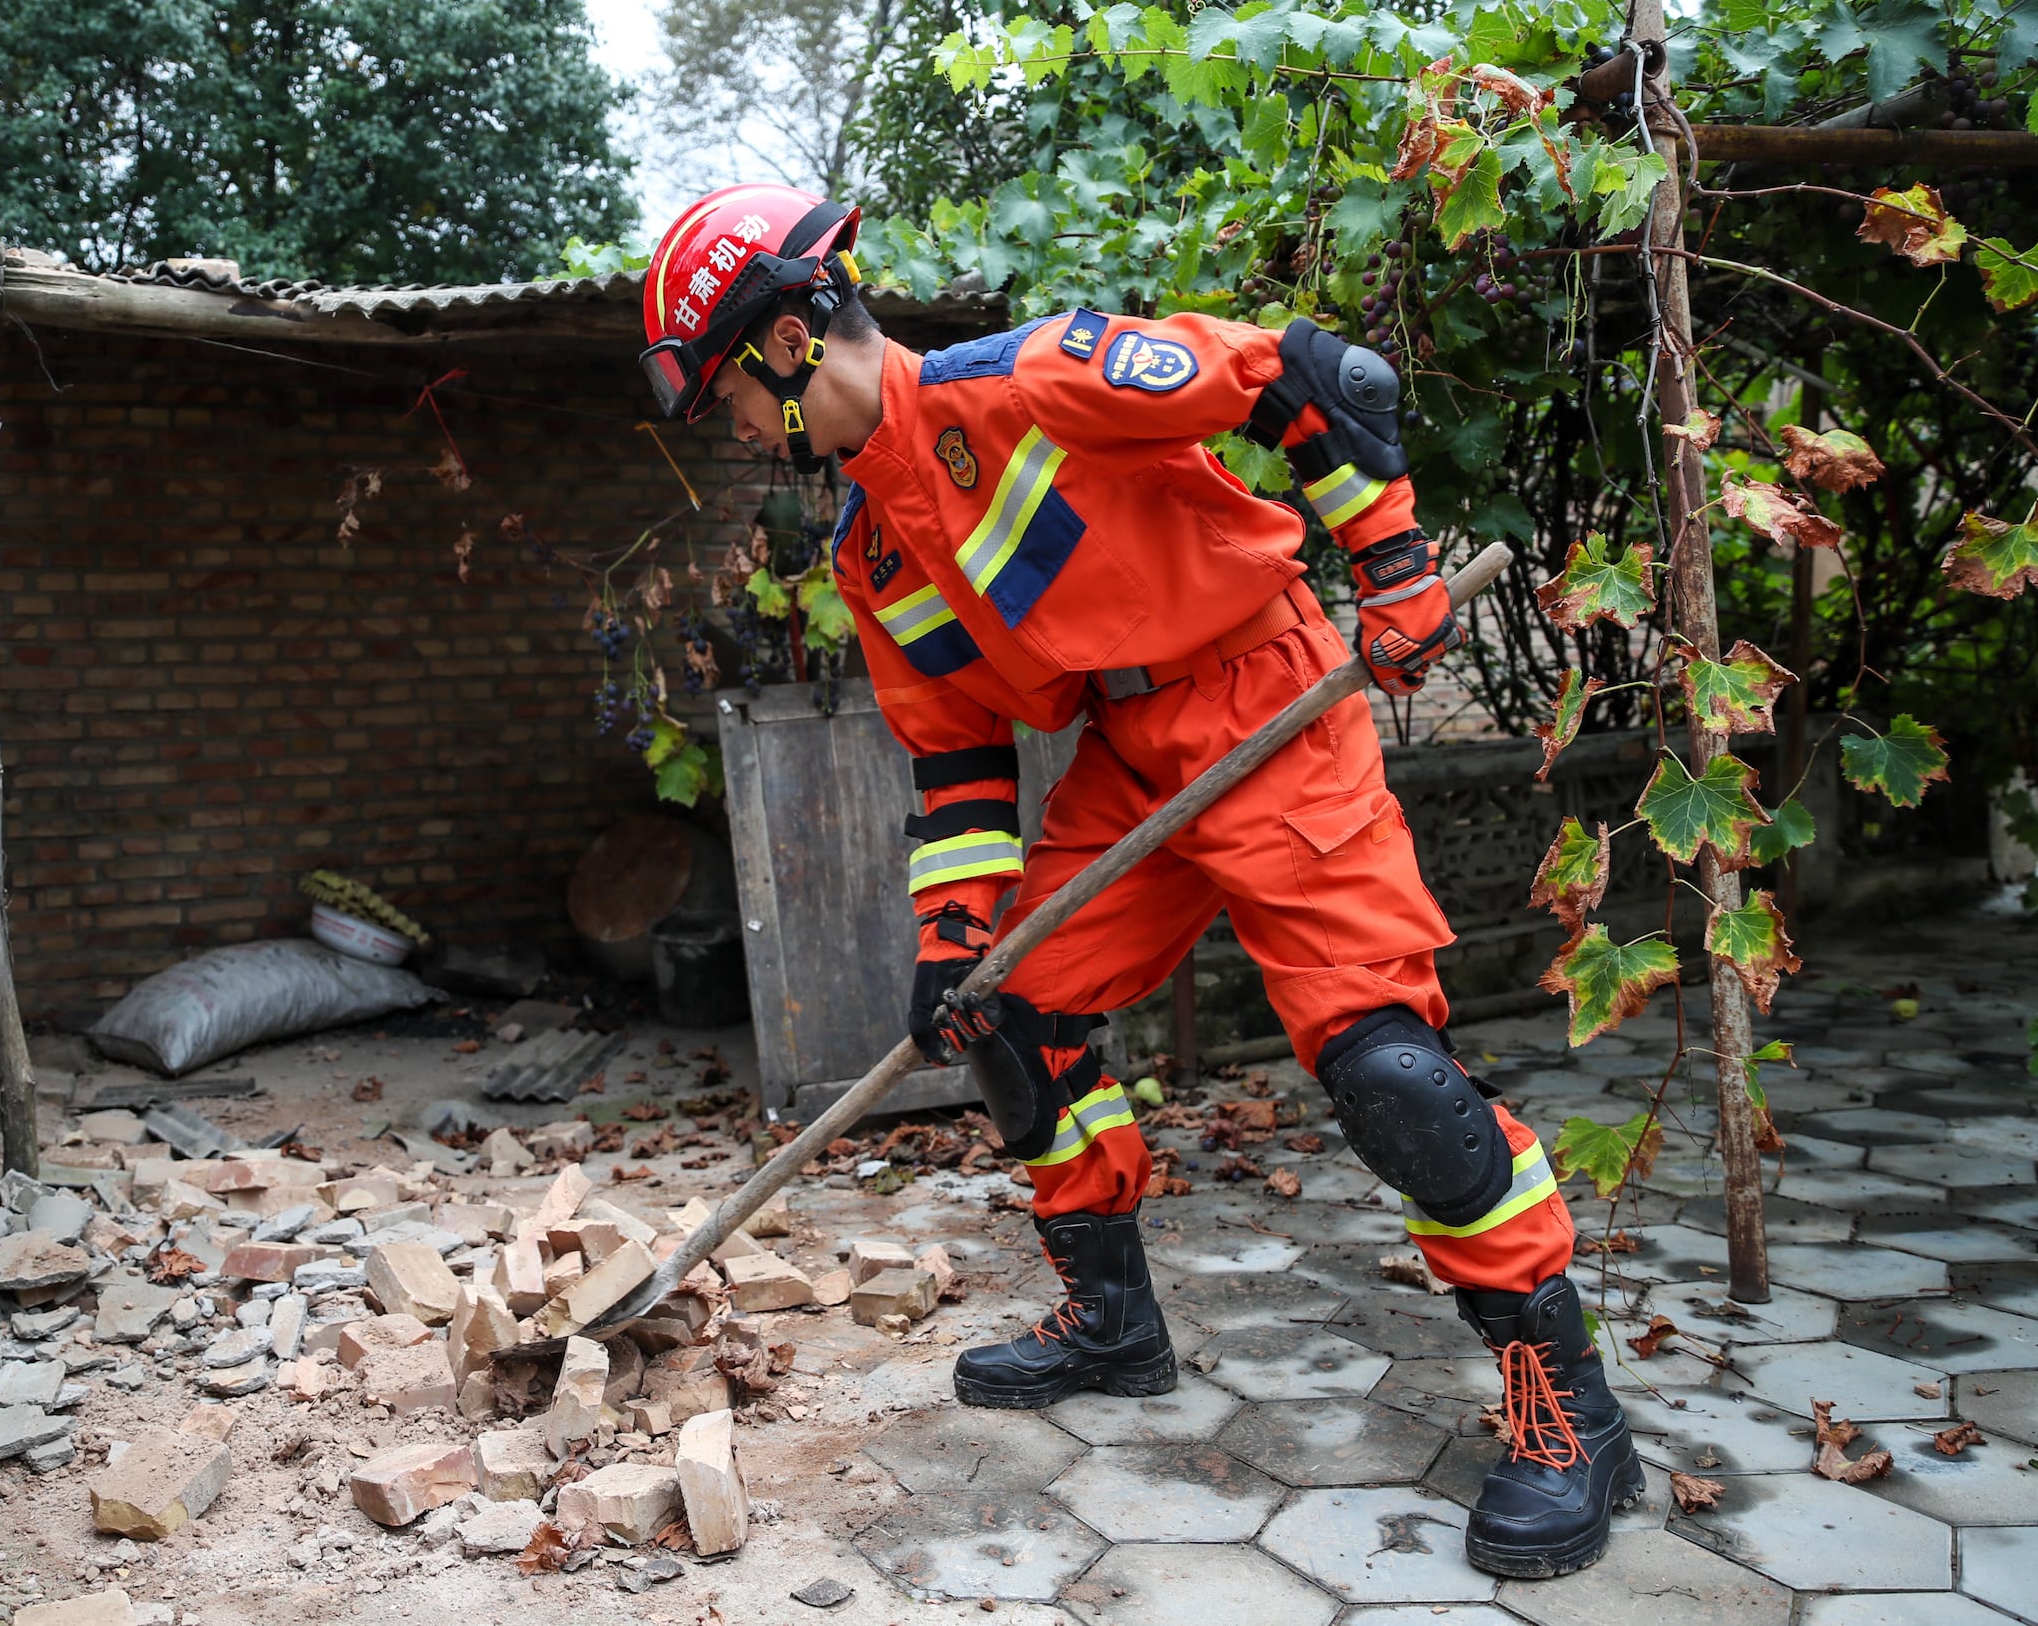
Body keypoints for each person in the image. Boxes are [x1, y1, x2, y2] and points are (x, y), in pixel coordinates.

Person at [633, 183, 1640, 1579]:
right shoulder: (869, 548)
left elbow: (1314, 377)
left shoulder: (1033, 378)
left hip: (1269, 697)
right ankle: (1112, 1326)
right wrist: (952, 937)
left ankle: (1572, 1415)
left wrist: (1395, 561)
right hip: (1132, 754)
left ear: (788, 344)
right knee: (1010, 1015)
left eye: (728, 396)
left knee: (1385, 1072)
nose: (732, 429)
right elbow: (960, 757)